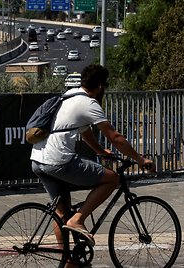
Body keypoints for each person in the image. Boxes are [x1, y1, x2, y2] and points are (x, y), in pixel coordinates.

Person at [30, 64, 154, 254]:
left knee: (61, 213)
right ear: (101, 86)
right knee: (112, 178)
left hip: (38, 160)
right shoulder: (89, 103)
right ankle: (78, 219)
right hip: (59, 161)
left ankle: (68, 260)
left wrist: (99, 151)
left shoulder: (70, 95)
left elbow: (85, 130)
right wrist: (139, 159)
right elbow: (115, 137)